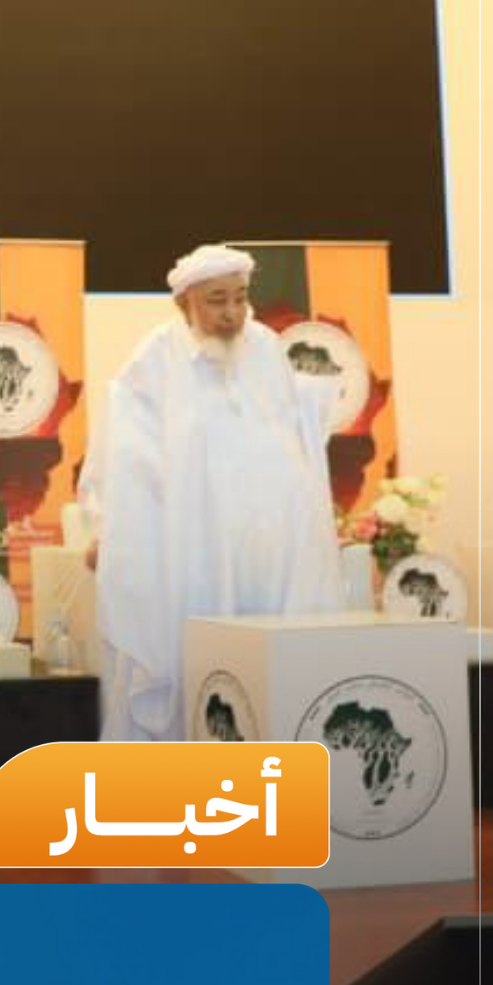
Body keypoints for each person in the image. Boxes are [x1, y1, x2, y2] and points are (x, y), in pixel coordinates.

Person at [85, 242, 345, 742]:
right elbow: (122, 453)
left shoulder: (266, 347)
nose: (231, 313)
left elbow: (289, 432)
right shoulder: (155, 357)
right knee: (191, 664)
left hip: (264, 548)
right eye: (217, 300)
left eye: (240, 298)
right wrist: (107, 525)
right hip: (188, 546)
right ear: (185, 303)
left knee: (261, 667)